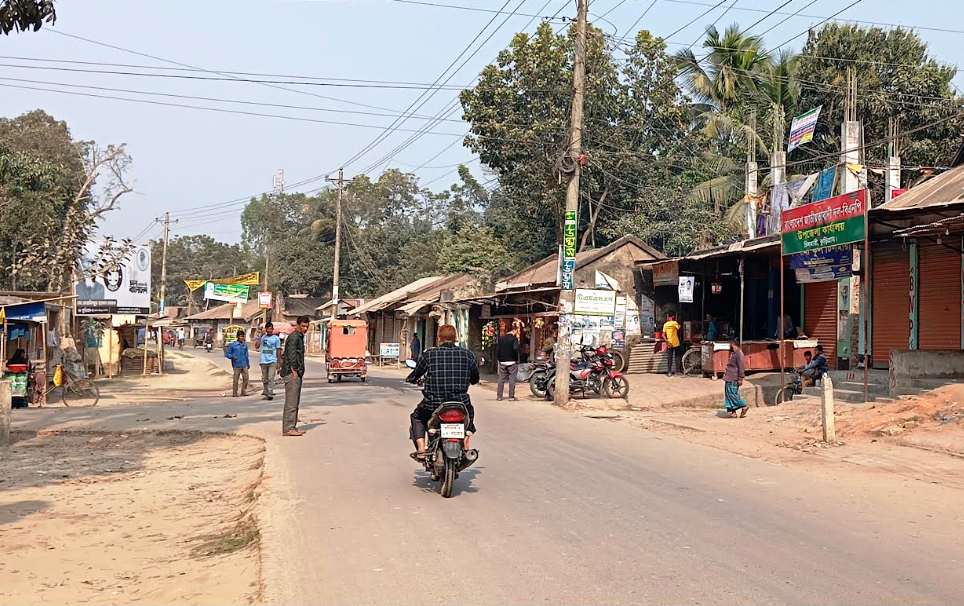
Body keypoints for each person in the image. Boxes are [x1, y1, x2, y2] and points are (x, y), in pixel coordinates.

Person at [406, 324, 480, 458]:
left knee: (416, 417)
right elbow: (475, 378)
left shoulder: (429, 354)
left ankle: (422, 449)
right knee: (469, 415)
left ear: (439, 338)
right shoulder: (468, 355)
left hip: (433, 403)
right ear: (455, 338)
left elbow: (417, 373)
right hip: (460, 403)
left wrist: (411, 378)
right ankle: (466, 440)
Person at [280, 316, 310, 436]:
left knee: (295, 401)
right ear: (298, 325)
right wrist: (294, 372)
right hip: (291, 373)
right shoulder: (293, 337)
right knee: (291, 402)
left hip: (297, 372)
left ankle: (292, 426)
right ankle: (288, 428)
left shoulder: (299, 337)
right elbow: (291, 355)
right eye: (303, 326)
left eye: (307, 326)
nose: (305, 328)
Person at [723, 339, 748, 417]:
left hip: (734, 377)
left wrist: (740, 378)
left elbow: (741, 367)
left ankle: (744, 405)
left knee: (733, 394)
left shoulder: (739, 353)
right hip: (729, 377)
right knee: (728, 394)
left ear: (733, 344)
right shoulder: (734, 353)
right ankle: (733, 412)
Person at [496, 325, 520, 401]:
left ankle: (499, 396)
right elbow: (515, 349)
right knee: (512, 379)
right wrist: (516, 359)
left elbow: (498, 350)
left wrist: (500, 359)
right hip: (512, 361)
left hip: (502, 361)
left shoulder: (501, 339)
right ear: (515, 330)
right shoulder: (514, 339)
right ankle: (511, 396)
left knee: (501, 379)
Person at [259, 322, 282, 401]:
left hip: (272, 360)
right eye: (267, 329)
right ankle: (266, 391)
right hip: (263, 360)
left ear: (272, 329)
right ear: (265, 329)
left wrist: (279, 361)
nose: (269, 330)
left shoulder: (276, 338)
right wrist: (260, 336)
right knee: (265, 378)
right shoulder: (263, 337)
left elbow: (278, 349)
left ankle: (270, 392)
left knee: (271, 377)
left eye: (270, 329)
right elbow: (257, 346)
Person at [225, 329, 251, 397]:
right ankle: (235, 392)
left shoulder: (245, 345)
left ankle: (244, 391)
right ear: (238, 337)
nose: (242, 338)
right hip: (236, 364)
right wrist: (233, 357)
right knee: (236, 379)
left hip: (244, 364)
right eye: (240, 336)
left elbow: (246, 354)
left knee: (246, 378)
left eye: (243, 336)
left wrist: (248, 363)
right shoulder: (233, 345)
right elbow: (227, 354)